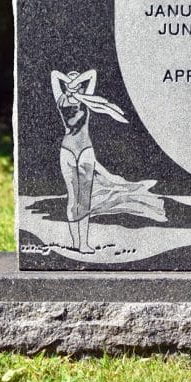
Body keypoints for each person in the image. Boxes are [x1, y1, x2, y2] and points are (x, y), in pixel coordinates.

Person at [51, 69, 127, 253]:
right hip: (67, 151)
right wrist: (68, 82)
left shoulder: (87, 99)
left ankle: (84, 243)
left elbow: (92, 73)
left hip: (86, 150)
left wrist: (76, 84)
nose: (73, 83)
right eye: (70, 80)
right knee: (73, 197)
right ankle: (75, 242)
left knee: (84, 199)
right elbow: (54, 74)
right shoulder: (60, 100)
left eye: (77, 80)